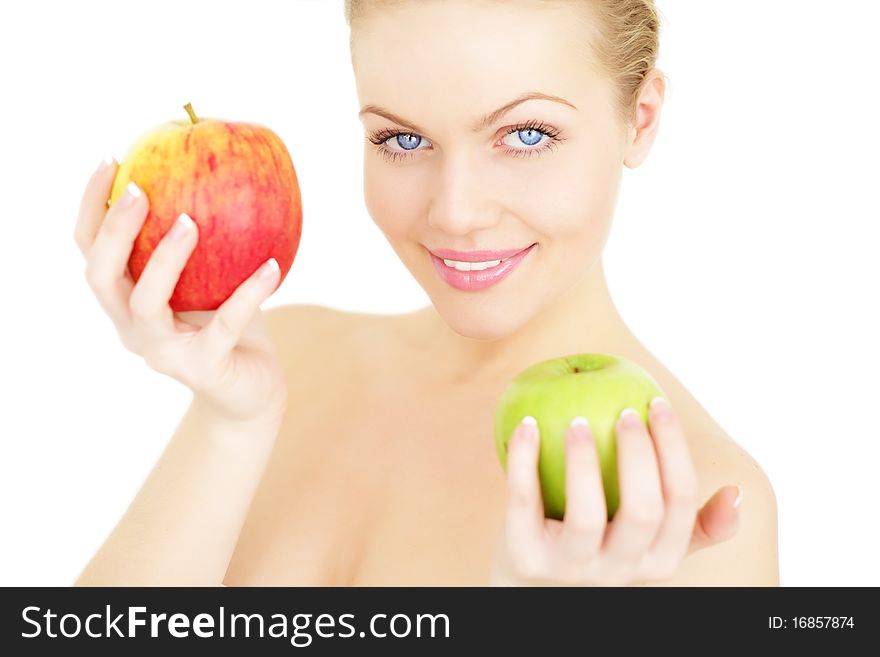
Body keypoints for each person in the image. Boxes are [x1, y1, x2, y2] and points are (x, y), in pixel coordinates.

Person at [72, 0, 778, 587]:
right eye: (402, 140)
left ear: (642, 117)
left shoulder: (688, 506)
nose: (456, 211)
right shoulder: (286, 361)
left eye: (526, 134)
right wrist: (230, 426)